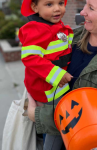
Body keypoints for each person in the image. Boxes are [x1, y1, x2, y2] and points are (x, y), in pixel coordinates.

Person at [27, 0, 97, 150]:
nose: (82, 12)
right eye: (86, 4)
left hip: (88, 143)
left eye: (91, 8)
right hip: (51, 131)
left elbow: (87, 118)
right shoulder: (70, 37)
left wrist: (36, 115)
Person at [19, 0, 73, 149]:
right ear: (35, 7)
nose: (57, 8)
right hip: (48, 90)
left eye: (61, 3)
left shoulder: (55, 25)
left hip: (56, 86)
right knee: (56, 126)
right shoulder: (36, 28)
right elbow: (30, 57)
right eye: (49, 4)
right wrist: (57, 74)